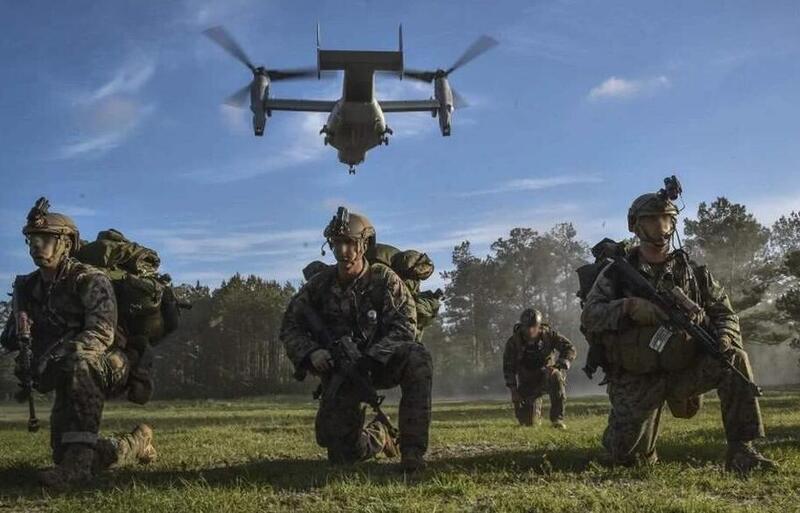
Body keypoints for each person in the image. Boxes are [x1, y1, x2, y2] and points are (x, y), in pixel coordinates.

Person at [580, 186, 777, 473]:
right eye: (652, 220)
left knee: (734, 359)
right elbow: (590, 316)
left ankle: (742, 451)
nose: (661, 227)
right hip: (636, 376)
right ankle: (635, 444)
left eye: (667, 219)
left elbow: (725, 313)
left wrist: (725, 337)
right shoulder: (616, 274)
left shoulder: (694, 273)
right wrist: (628, 307)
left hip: (684, 369)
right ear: (635, 225)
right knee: (626, 457)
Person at [0, 198, 156, 488]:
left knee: (80, 361)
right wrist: (22, 340)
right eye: (32, 239)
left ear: (66, 244)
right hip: (65, 368)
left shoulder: (88, 279)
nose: (36, 245)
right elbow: (10, 338)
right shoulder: (29, 288)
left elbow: (101, 333)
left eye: (46, 239)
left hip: (109, 362)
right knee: (65, 451)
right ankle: (134, 443)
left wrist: (55, 356)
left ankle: (77, 469)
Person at [280, 207, 432, 471]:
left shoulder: (385, 280)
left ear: (364, 245)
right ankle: (379, 436)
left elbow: (405, 326)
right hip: (342, 372)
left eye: (350, 243)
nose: (343, 251)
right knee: (341, 453)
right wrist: (311, 352)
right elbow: (290, 325)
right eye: (337, 243)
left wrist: (372, 357)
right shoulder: (319, 285)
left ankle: (412, 452)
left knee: (417, 357)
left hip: (381, 363)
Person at [503, 308, 576, 429]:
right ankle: (533, 415)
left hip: (547, 376)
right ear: (522, 326)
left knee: (556, 376)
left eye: (533, 327)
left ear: (539, 326)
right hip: (527, 382)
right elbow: (508, 368)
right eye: (527, 327)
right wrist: (513, 391)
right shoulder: (514, 342)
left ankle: (557, 419)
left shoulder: (549, 336)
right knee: (528, 424)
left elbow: (569, 348)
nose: (530, 330)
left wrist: (557, 366)